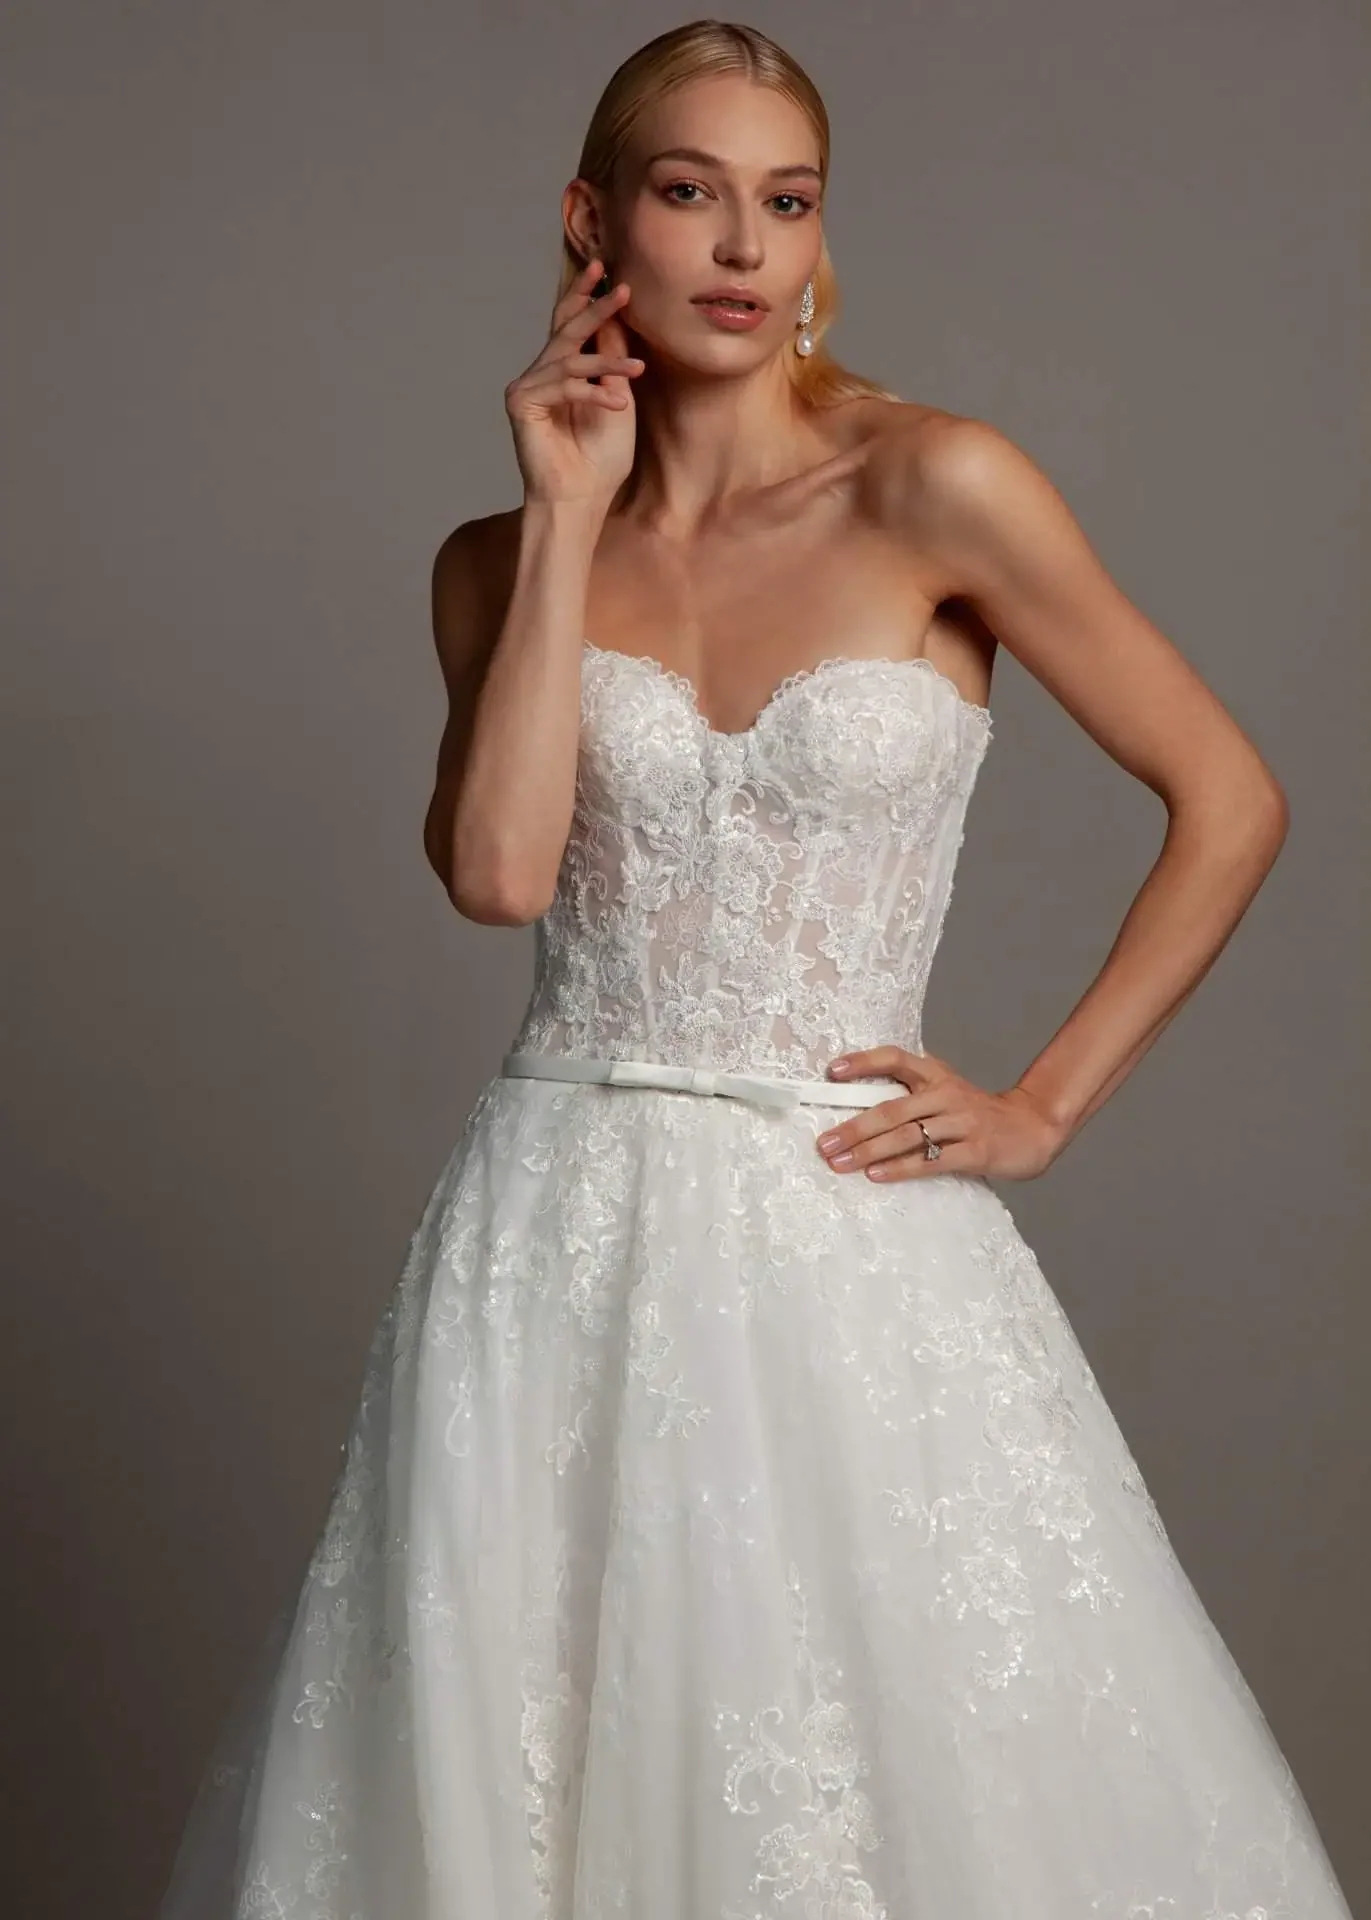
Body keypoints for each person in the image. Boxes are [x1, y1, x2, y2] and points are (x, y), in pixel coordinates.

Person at [158, 20, 1355, 1920]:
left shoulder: (937, 487)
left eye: (783, 204)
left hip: (843, 1233)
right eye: (688, 191)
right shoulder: (490, 557)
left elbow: (1231, 798)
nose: (740, 247)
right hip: (555, 1227)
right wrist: (563, 512)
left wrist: (1042, 1104)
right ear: (592, 225)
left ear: (817, 242)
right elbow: (494, 877)